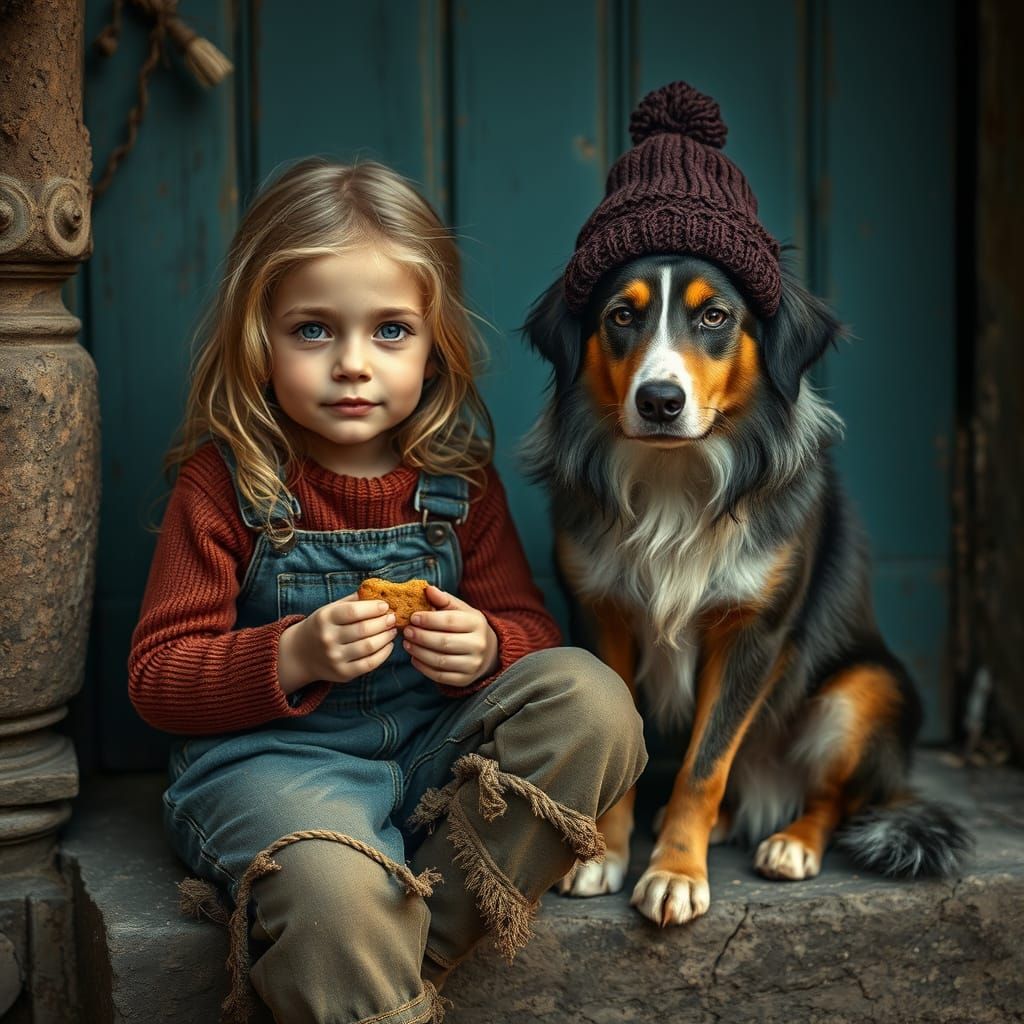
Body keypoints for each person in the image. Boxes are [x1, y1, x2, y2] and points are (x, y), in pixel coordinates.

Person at [128, 158, 646, 1024]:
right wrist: (290, 653)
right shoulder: (225, 486)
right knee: (333, 891)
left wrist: (486, 647)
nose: (354, 365)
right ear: (258, 336)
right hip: (274, 774)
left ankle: (369, 964)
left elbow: (529, 628)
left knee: (594, 701)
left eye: (392, 331)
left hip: (432, 772)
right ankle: (354, 938)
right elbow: (158, 678)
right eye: (313, 331)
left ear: (436, 340)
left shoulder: (457, 482)